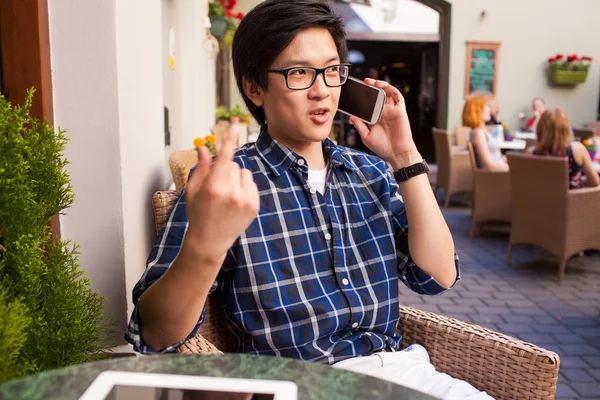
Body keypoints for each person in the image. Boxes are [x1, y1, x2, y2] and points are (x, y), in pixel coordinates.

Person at [126, 1, 491, 399]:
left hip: (404, 372)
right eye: (299, 72)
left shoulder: (369, 174)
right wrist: (203, 249)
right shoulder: (226, 187)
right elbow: (156, 334)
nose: (321, 90)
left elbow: (437, 277)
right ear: (253, 87)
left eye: (332, 71)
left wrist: (405, 157)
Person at [529, 109, 599, 189]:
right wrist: (580, 181)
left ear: (540, 129)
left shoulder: (531, 152)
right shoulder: (577, 149)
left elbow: (524, 180)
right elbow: (595, 181)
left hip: (539, 200)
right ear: (566, 129)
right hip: (572, 200)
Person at [463, 96, 508, 171]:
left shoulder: (482, 131)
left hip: (501, 170)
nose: (489, 109)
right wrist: (513, 169)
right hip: (496, 175)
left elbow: (493, 157)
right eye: (486, 106)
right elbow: (490, 164)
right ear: (478, 111)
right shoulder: (478, 133)